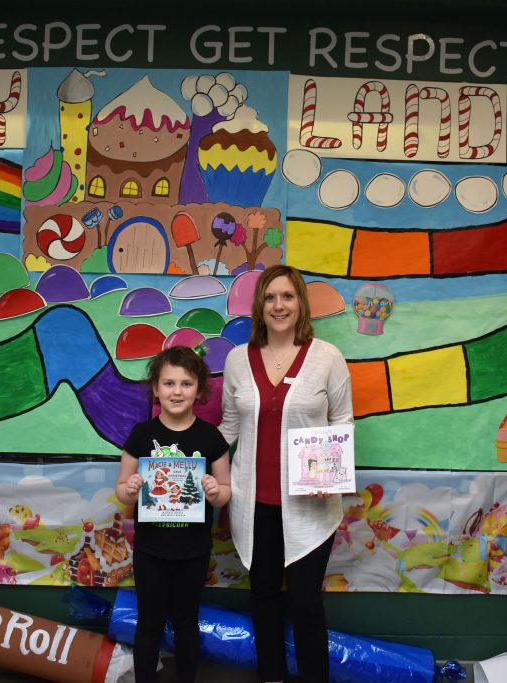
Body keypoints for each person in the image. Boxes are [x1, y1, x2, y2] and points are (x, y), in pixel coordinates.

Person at [219, 264, 353, 683]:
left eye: (287, 297)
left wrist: (328, 478)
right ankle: (271, 676)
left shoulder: (326, 357)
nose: (279, 305)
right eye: (271, 297)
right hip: (252, 503)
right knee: (262, 597)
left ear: (300, 304)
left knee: (304, 602)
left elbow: (343, 421)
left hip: (310, 506)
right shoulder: (239, 359)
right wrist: (187, 464)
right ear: (260, 305)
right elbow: (228, 429)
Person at [116, 346, 232, 683]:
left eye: (185, 383)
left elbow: (225, 494)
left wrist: (214, 491)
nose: (176, 391)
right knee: (149, 623)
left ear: (199, 389)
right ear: (155, 388)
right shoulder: (141, 435)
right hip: (151, 550)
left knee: (186, 623)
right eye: (168, 383)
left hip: (193, 552)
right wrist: (132, 487)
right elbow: (121, 488)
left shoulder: (211, 438)